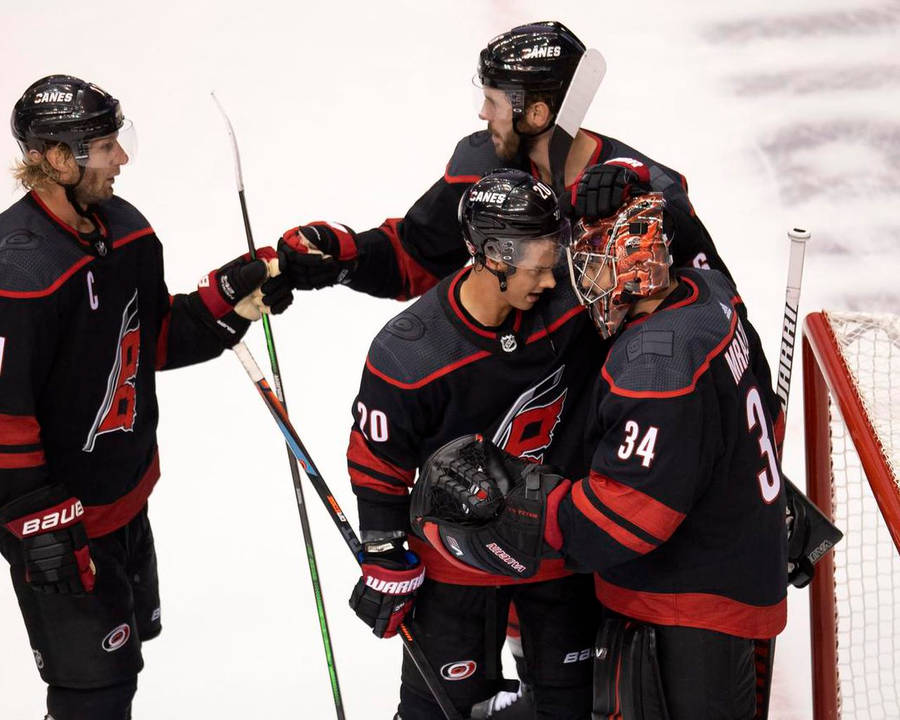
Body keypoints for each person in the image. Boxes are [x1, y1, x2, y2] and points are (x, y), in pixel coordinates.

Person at [415, 193, 788, 719]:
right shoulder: (710, 294)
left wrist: (523, 511)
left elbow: (629, 515)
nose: (579, 278)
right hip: (739, 558)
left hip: (690, 600)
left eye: (592, 259)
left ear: (634, 270)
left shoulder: (655, 362)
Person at [0, 75, 291, 720]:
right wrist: (30, 520)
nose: (121, 159)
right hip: (56, 520)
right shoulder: (17, 269)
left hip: (124, 498)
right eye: (105, 146)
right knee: (93, 694)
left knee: (122, 667)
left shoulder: (127, 231)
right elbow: (4, 412)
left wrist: (225, 304)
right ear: (55, 157)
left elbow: (147, 343)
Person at [346, 169, 603, 719]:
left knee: (576, 707)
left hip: (562, 555)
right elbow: (378, 462)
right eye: (537, 266)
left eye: (554, 261)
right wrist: (385, 553)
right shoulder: (409, 352)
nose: (552, 281)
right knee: (435, 710)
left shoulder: (576, 306)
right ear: (491, 255)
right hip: (453, 567)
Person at [276, 20, 730, 302]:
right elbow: (414, 256)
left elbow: (719, 308)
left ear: (535, 113)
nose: (482, 113)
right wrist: (346, 257)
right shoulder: (483, 168)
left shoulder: (650, 189)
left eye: (494, 102)